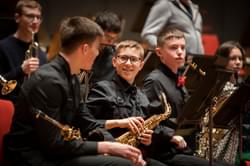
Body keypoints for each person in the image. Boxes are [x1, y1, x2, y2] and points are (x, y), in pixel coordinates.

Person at [3, 16, 146, 166]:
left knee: (122, 159)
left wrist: (119, 146)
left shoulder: (73, 77)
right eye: (98, 48)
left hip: (52, 150)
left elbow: (86, 122)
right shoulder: (48, 81)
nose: (99, 53)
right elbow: (54, 144)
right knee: (120, 164)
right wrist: (106, 147)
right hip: (31, 156)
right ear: (85, 49)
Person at [142, 26, 230, 166]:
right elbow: (148, 121)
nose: (180, 52)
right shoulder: (154, 81)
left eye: (183, 48)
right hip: (165, 152)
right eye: (173, 48)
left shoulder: (179, 79)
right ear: (159, 52)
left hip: (182, 148)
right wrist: (171, 136)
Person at [86, 40, 167, 166]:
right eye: (123, 58)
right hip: (108, 155)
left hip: (136, 155)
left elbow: (148, 137)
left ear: (141, 65)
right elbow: (86, 124)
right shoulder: (101, 89)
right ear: (114, 61)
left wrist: (147, 141)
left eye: (134, 59)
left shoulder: (143, 97)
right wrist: (119, 123)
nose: (128, 63)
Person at [198, 41, 245, 165]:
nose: (238, 62)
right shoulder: (216, 85)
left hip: (234, 134)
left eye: (240, 58)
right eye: (233, 58)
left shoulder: (239, 84)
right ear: (222, 60)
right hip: (217, 136)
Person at [0, 0, 47, 103]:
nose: (35, 21)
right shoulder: (2, 47)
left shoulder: (42, 55)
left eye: (38, 17)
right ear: (17, 18)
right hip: (9, 108)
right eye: (30, 16)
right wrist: (21, 70)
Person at [90, 10, 123, 84]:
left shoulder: (114, 56)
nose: (110, 42)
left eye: (114, 38)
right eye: (107, 37)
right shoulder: (79, 49)